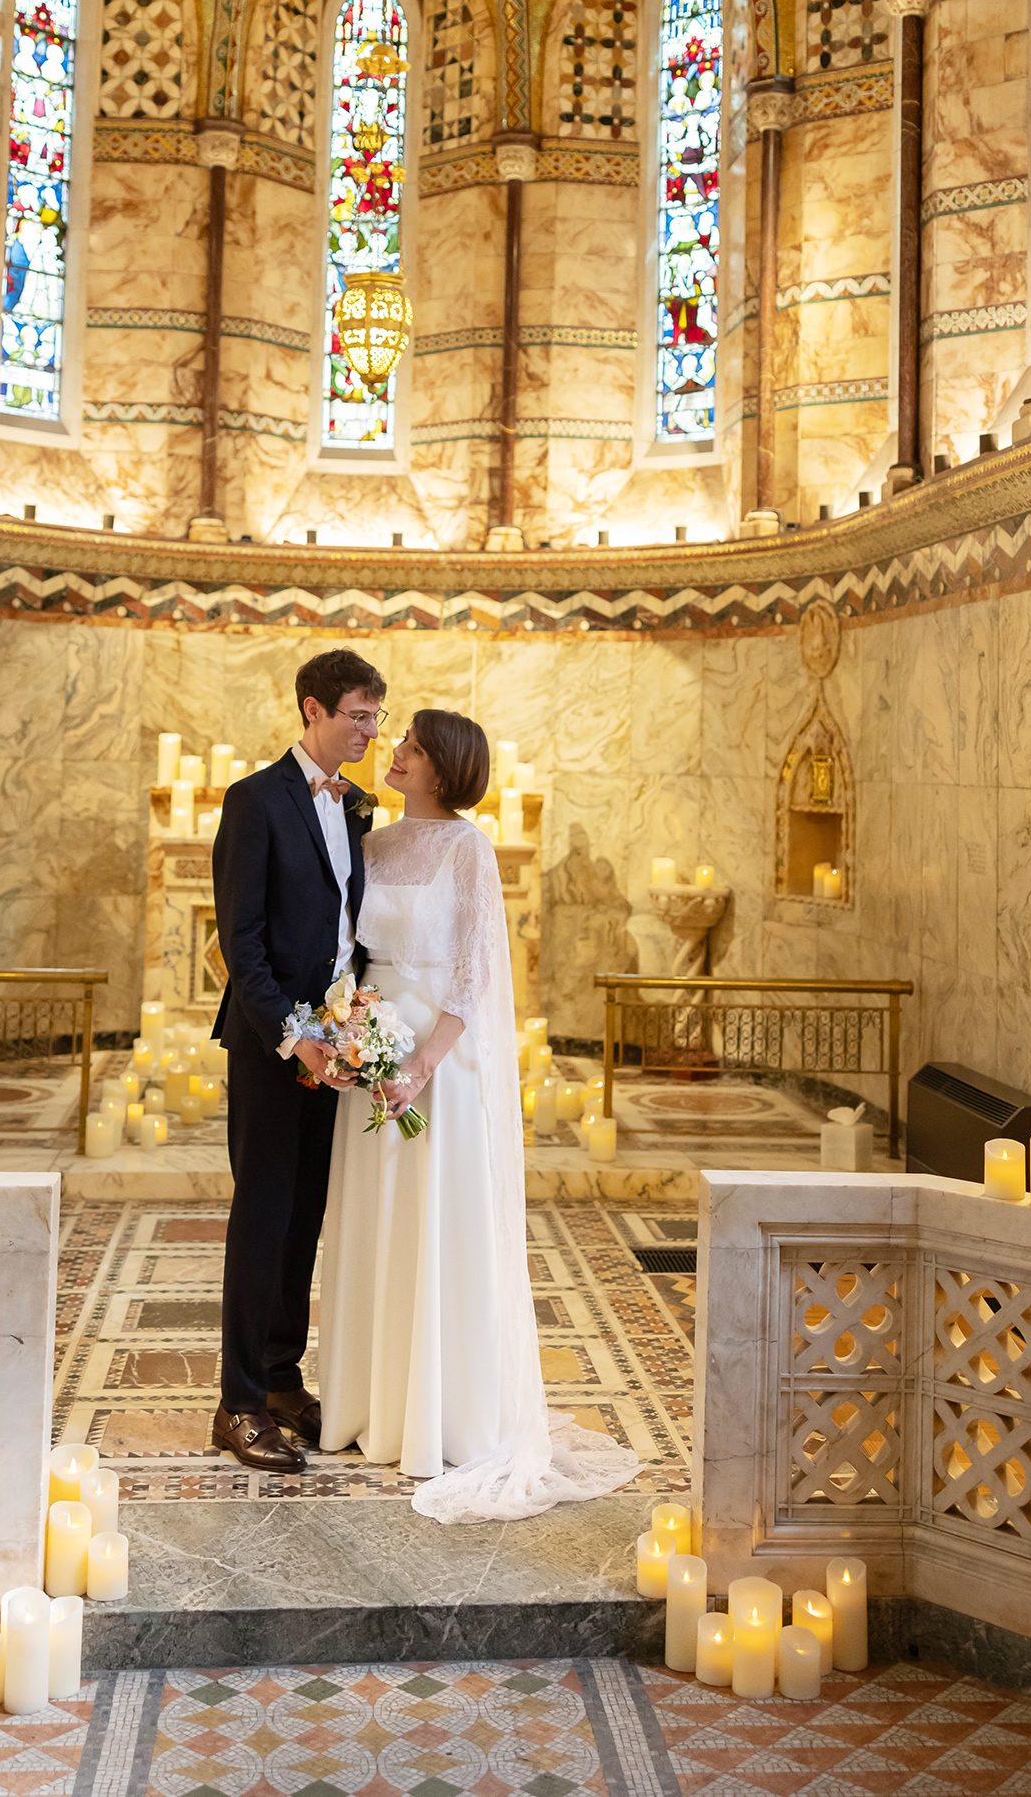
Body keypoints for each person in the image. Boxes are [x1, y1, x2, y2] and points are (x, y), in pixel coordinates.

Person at [318, 708, 640, 1521]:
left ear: (442, 767)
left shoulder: (468, 849)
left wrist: (423, 1063)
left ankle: (443, 1415)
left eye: (413, 747)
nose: (396, 752)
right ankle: (372, 1407)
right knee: (377, 1219)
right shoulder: (373, 844)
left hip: (441, 1061)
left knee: (436, 1221)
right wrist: (354, 1033)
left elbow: (471, 973)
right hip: (373, 1047)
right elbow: (347, 952)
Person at [209, 646, 386, 1473]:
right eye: (358, 715)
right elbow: (239, 944)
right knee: (262, 1218)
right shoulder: (253, 801)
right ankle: (237, 1401)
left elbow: (347, 937)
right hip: (271, 1043)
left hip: (335, 1043)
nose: (371, 731)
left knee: (305, 1218)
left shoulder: (358, 807)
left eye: (377, 716)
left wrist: (353, 1027)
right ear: (312, 709)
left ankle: (282, 1379)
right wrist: (293, 1035)